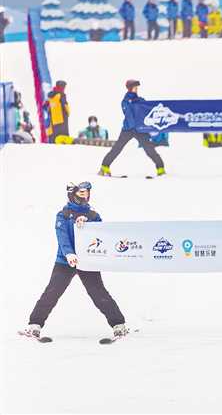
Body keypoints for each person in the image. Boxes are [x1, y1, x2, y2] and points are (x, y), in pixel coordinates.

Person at [21, 182, 128, 340]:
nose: (84, 196)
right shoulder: (63, 215)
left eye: (86, 193)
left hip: (87, 261)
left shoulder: (93, 215)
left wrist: (88, 224)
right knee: (52, 292)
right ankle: (34, 325)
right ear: (73, 194)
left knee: (98, 293)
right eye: (81, 193)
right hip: (65, 261)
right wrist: (69, 254)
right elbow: (62, 236)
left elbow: (101, 234)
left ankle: (119, 325)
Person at [98, 80, 165, 177]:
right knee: (117, 148)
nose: (137, 89)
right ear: (130, 88)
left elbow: (148, 109)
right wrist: (134, 126)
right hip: (128, 129)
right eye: (135, 88)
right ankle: (104, 167)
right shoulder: (125, 101)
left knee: (149, 149)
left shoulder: (139, 100)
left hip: (140, 129)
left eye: (137, 88)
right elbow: (129, 115)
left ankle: (160, 168)